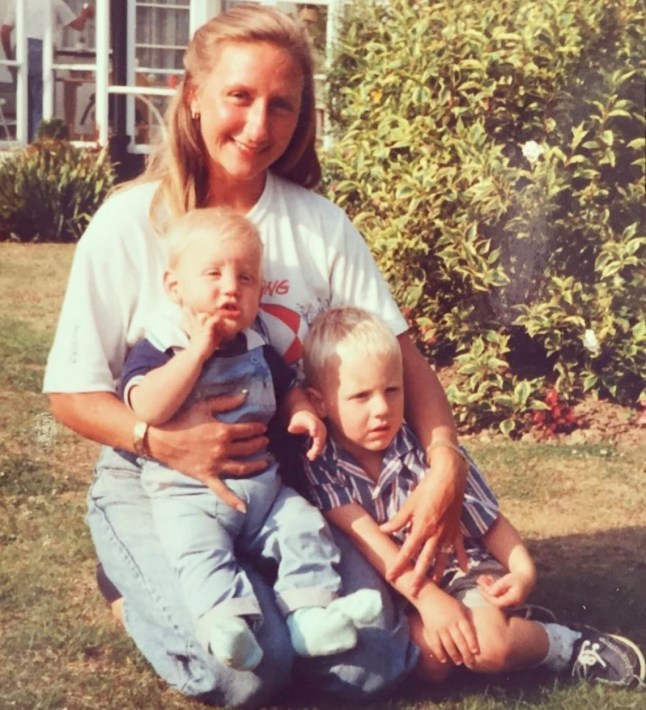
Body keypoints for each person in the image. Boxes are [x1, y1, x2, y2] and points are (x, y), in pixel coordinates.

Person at [43, 5, 468, 707]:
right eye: (238, 97)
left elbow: (401, 353)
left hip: (282, 485)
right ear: (194, 96)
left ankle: (261, 585)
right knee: (247, 674)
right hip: (156, 480)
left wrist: (445, 459)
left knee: (363, 669)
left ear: (301, 118)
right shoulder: (127, 223)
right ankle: (129, 585)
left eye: (282, 106)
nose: (258, 125)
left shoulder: (319, 225)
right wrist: (162, 441)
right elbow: (70, 393)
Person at [301, 306, 646, 688]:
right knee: (431, 663)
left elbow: (489, 519)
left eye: (391, 390)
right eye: (361, 396)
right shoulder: (322, 464)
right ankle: (508, 628)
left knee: (488, 648)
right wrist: (429, 601)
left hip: (462, 569)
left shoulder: (428, 452)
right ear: (319, 403)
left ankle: (565, 644)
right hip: (401, 588)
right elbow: (372, 545)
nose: (381, 409)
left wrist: (523, 569)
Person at [121, 206, 381, 671]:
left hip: (264, 493)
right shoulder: (162, 343)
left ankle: (310, 614)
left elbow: (286, 390)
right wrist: (198, 350)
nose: (230, 287)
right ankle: (225, 626)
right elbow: (147, 407)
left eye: (245, 278)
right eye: (214, 274)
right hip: (188, 495)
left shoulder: (258, 340)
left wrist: (301, 414)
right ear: (174, 287)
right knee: (199, 552)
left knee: (303, 525)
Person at [1, 0, 94, 141]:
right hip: (42, 50)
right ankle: (37, 145)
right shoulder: (55, 3)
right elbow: (78, 25)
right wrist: (85, 14)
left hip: (19, 50)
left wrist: (10, 59)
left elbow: (4, 32)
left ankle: (24, 143)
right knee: (41, 102)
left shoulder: (18, 2)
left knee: (23, 101)